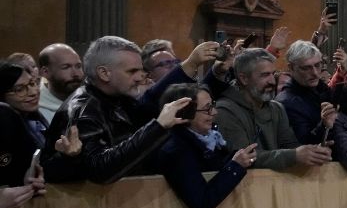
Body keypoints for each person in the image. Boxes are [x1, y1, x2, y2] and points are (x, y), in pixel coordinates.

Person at [40, 36, 224, 184]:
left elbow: (151, 100)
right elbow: (100, 171)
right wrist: (158, 127)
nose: (140, 77)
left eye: (140, 70)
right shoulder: (83, 110)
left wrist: (196, 67)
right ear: (104, 73)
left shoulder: (115, 96)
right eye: (131, 71)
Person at [216, 48, 333, 170]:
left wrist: (314, 152)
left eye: (273, 74)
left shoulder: (276, 108)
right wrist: (294, 155)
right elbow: (245, 158)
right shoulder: (225, 111)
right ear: (244, 78)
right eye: (265, 75)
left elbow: (290, 146)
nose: (272, 81)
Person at [155, 84, 257, 208]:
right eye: (206, 108)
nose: (214, 112)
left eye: (212, 105)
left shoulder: (209, 140)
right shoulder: (175, 151)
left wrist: (238, 159)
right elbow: (202, 202)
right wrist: (235, 167)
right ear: (184, 113)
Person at [275, 41, 339, 145]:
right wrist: (324, 125)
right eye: (306, 68)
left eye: (317, 65)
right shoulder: (286, 103)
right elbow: (301, 147)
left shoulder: (321, 88)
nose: (314, 73)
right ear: (291, 68)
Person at [0, 62, 49, 194]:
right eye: (20, 89)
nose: (33, 93)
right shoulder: (4, 126)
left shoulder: (35, 118)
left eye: (32, 83)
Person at [37, 44, 85, 123]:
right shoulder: (35, 112)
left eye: (78, 66)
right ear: (45, 72)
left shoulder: (90, 103)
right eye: (66, 67)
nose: (75, 74)